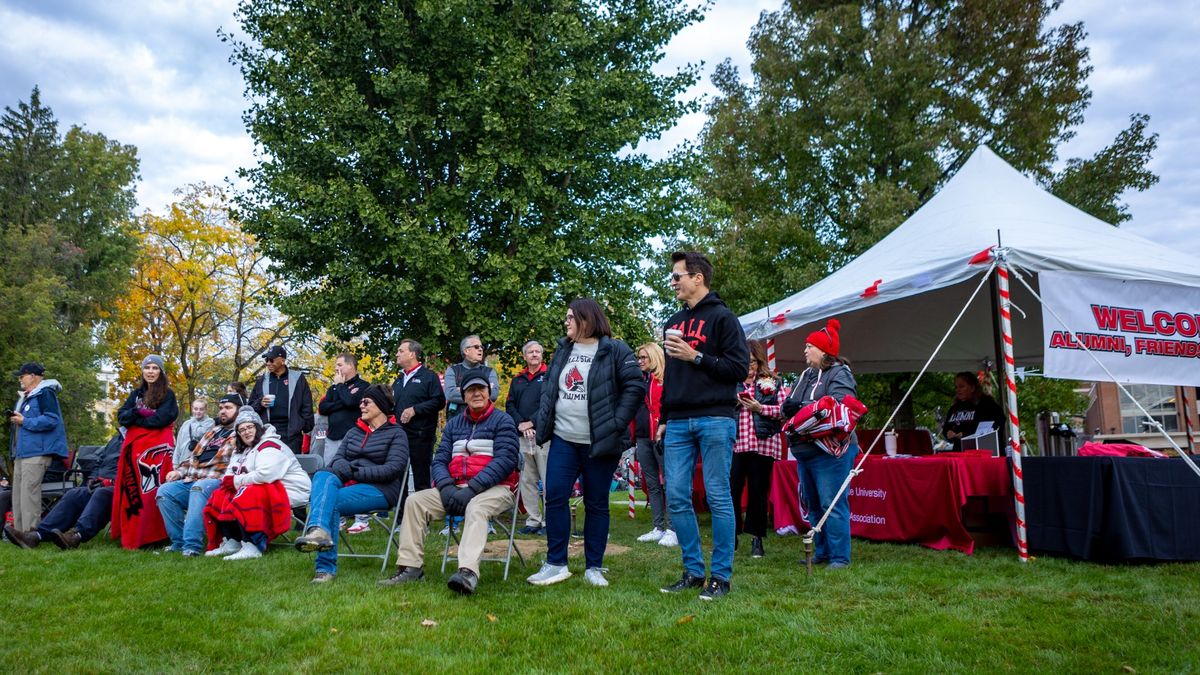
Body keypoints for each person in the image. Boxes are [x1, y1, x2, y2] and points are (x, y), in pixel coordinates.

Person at [526, 299, 645, 588]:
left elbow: (635, 386)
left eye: (570, 317)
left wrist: (615, 424)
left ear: (587, 319)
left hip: (599, 443)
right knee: (554, 496)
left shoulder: (615, 349)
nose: (566, 322)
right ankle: (556, 563)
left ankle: (595, 566)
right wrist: (543, 422)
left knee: (596, 503)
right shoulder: (562, 350)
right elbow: (551, 390)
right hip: (564, 440)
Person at [659, 251, 749, 601]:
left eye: (678, 275)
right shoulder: (672, 321)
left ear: (698, 278)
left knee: (717, 495)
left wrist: (696, 356)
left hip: (715, 417)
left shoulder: (724, 319)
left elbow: (739, 369)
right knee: (678, 497)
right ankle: (694, 571)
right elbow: (670, 379)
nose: (673, 281)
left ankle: (721, 577)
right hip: (678, 422)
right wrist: (665, 418)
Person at [379, 373, 519, 595]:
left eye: (480, 389)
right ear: (463, 395)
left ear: (488, 392)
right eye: (471, 390)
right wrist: (445, 487)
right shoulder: (454, 424)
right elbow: (441, 459)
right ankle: (410, 568)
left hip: (495, 488)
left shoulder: (503, 421)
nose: (476, 394)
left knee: (476, 507)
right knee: (415, 501)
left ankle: (467, 573)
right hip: (455, 487)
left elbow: (505, 461)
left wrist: (473, 489)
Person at [294, 385, 408, 583]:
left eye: (366, 402)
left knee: (330, 501)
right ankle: (319, 532)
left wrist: (355, 471)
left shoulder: (396, 433)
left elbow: (393, 469)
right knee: (323, 475)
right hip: (349, 484)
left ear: (381, 406)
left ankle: (325, 568)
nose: (361, 406)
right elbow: (337, 460)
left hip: (381, 490)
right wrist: (345, 470)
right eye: (361, 402)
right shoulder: (354, 432)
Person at [781, 319, 859, 569]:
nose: (804, 350)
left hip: (830, 452)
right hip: (805, 450)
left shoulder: (839, 373)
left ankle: (839, 557)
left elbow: (841, 405)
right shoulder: (806, 375)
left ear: (823, 350)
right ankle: (823, 551)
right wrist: (787, 409)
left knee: (831, 502)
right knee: (814, 503)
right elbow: (790, 405)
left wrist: (801, 409)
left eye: (809, 346)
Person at [203, 406, 311, 560]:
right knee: (221, 494)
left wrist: (236, 481)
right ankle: (233, 540)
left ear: (258, 427)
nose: (246, 432)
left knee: (248, 493)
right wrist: (233, 481)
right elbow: (229, 475)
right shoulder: (241, 450)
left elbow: (265, 475)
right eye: (242, 430)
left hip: (291, 489)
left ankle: (252, 544)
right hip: (265, 487)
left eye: (250, 427)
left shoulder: (269, 445)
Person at [4, 429, 123, 550]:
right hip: (101, 483)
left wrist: (114, 481)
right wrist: (92, 479)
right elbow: (99, 463)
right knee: (74, 493)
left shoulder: (137, 440)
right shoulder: (115, 440)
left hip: (123, 488)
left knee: (101, 493)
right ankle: (36, 536)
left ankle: (76, 536)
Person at [155, 394, 239, 556]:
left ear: (238, 410)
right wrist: (178, 471)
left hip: (216, 482)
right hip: (194, 479)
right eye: (221, 408)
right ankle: (178, 542)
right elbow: (193, 458)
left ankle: (191, 546)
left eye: (228, 408)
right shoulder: (213, 432)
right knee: (164, 492)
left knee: (199, 488)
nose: (223, 412)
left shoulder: (241, 433)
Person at [111, 355, 179, 549]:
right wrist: (139, 412)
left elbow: (161, 420)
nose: (150, 371)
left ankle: (155, 535)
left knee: (152, 491)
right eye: (147, 368)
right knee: (134, 492)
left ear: (161, 371)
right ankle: (134, 533)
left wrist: (137, 420)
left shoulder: (168, 394)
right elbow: (122, 416)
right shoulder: (136, 395)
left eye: (154, 368)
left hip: (156, 451)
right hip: (133, 450)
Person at [731, 339, 785, 559]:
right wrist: (732, 403)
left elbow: (784, 410)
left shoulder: (771, 382)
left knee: (758, 493)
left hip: (762, 444)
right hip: (735, 443)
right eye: (746, 361)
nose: (750, 366)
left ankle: (757, 538)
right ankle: (731, 536)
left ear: (760, 361)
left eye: (753, 362)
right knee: (731, 491)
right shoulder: (730, 382)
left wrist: (759, 407)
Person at [7, 362, 68, 533]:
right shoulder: (27, 396)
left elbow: (51, 420)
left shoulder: (45, 393)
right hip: (22, 452)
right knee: (18, 494)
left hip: (37, 452)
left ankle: (31, 533)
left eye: (22, 376)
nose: (20, 379)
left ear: (32, 376)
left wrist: (24, 421)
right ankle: (18, 532)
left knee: (29, 493)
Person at [317, 352, 371, 533]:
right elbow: (323, 408)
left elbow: (351, 402)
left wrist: (341, 390)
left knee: (356, 474)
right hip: (332, 437)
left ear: (351, 366)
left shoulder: (363, 386)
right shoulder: (333, 388)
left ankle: (361, 518)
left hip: (354, 437)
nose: (337, 369)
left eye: (340, 365)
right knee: (332, 474)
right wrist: (340, 396)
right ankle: (337, 516)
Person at [506, 340, 551, 535]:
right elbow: (510, 405)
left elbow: (549, 404)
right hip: (522, 436)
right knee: (527, 480)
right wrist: (521, 424)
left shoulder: (549, 376)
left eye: (537, 352)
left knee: (549, 479)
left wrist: (532, 423)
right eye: (530, 352)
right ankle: (533, 521)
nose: (534, 354)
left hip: (543, 436)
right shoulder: (518, 379)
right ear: (524, 356)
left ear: (542, 355)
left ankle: (550, 522)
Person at [632, 343, 674, 547]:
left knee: (670, 482)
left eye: (643, 357)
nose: (639, 361)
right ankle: (658, 527)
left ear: (654, 357)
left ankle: (673, 529)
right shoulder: (641, 380)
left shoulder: (665, 380)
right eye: (638, 357)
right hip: (643, 435)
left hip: (663, 435)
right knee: (652, 483)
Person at [392, 339, 445, 495]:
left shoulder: (429, 377)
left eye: (401, 351)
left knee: (421, 480)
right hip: (400, 436)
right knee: (399, 478)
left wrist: (415, 409)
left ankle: (422, 518)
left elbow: (439, 401)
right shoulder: (398, 380)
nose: (397, 354)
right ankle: (401, 517)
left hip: (421, 437)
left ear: (412, 354)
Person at [248, 345, 314, 457]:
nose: (268, 363)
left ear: (282, 360)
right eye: (266, 360)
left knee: (291, 469)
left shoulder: (297, 378)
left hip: (292, 435)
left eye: (271, 360)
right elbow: (249, 408)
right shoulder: (262, 380)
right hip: (267, 434)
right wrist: (260, 403)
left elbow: (307, 405)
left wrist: (303, 426)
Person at [943, 371, 1004, 451]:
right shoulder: (955, 408)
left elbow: (992, 426)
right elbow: (947, 427)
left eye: (961, 387)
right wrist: (948, 433)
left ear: (972, 388)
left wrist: (966, 434)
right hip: (960, 453)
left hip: (981, 452)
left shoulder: (987, 405)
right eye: (956, 387)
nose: (958, 390)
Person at [443, 334, 499, 415]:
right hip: (457, 421)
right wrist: (483, 392)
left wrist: (461, 389)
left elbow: (493, 395)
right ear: (466, 351)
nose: (480, 349)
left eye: (481, 347)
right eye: (476, 347)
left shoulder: (489, 371)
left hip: (484, 421)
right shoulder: (453, 370)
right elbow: (450, 395)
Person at [173, 398, 215, 469]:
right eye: (196, 409)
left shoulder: (210, 422)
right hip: (182, 461)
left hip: (197, 463)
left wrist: (193, 422)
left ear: (205, 410)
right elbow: (179, 444)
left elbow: (198, 434)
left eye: (201, 409)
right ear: (192, 409)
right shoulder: (186, 423)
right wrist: (175, 463)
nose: (198, 411)